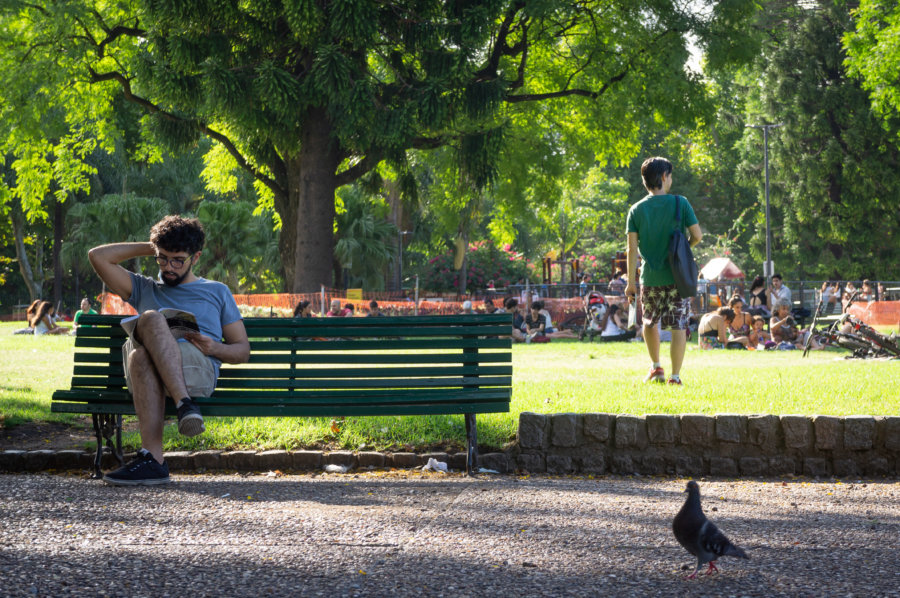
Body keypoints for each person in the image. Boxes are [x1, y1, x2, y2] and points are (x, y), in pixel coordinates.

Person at [88, 215, 250, 486]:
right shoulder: (144, 287)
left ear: (195, 258)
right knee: (145, 336)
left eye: (178, 260)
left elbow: (242, 351)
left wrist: (215, 347)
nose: (169, 267)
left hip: (196, 369)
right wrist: (151, 245)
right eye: (162, 258)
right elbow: (98, 256)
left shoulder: (217, 292)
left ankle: (179, 411)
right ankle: (161, 448)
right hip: (147, 376)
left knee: (147, 329)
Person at [625, 157, 702, 385]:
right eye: (670, 175)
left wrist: (630, 283)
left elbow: (631, 249)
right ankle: (675, 377)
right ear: (664, 177)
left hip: (649, 278)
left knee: (650, 322)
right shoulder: (681, 203)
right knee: (678, 325)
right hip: (678, 278)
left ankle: (656, 367)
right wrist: (682, 250)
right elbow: (697, 235)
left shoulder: (636, 210)